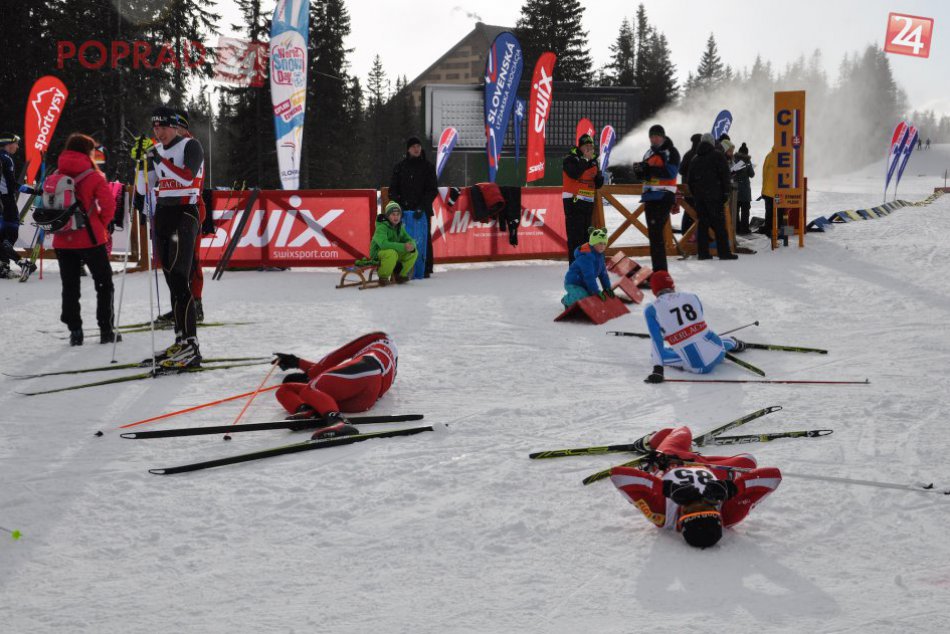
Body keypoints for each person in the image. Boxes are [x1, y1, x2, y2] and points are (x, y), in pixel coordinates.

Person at [610, 426, 782, 548]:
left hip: (672, 460)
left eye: (690, 507)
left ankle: (648, 442)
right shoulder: (729, 515)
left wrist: (666, 489)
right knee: (749, 461)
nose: (700, 499)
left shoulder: (663, 514)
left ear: (681, 519)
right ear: (718, 516)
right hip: (707, 467)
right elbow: (772, 476)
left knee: (682, 431)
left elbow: (619, 475)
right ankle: (695, 453)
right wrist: (733, 489)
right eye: (709, 505)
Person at [132, 106, 205, 367]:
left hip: (186, 212)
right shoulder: (157, 151)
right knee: (170, 281)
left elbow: (187, 177)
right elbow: (146, 187)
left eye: (162, 126)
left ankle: (192, 344)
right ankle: (180, 339)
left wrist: (158, 159)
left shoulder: (190, 145)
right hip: (163, 213)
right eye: (154, 127)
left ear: (175, 126)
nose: (158, 132)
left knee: (179, 277)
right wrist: (141, 163)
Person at [51, 133, 118, 345]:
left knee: (70, 286)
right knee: (104, 283)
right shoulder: (93, 176)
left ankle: (75, 331)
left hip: (62, 239)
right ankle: (106, 330)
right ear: (87, 152)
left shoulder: (56, 173)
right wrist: (102, 224)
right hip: (90, 238)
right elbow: (108, 206)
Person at [273, 332, 398, 425]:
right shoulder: (390, 361)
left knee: (311, 389)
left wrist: (309, 373)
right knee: (285, 389)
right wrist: (298, 363)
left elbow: (338, 355)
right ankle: (311, 412)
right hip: (364, 399)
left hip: (368, 368)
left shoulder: (380, 337)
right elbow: (338, 374)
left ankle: (337, 423)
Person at [642, 270, 745, 383]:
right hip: (719, 350)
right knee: (703, 338)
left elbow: (656, 341)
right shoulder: (692, 296)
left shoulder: (651, 309)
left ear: (654, 289)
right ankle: (733, 342)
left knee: (656, 354)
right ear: (672, 284)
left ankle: (728, 343)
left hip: (700, 365)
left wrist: (658, 370)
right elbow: (697, 320)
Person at [388, 136, 437, 278]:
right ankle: (400, 267)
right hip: (403, 212)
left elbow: (432, 190)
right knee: (401, 239)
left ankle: (425, 268)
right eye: (413, 146)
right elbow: (393, 190)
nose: (416, 149)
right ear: (408, 150)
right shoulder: (400, 167)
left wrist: (422, 206)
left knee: (423, 239)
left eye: (418, 146)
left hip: (422, 211)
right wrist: (399, 207)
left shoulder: (428, 167)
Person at [634, 124, 680, 272]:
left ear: (663, 136)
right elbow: (646, 176)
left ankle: (660, 271)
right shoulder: (649, 153)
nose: (654, 139)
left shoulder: (671, 151)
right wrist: (639, 171)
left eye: (657, 136)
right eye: (651, 136)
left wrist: (649, 170)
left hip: (663, 196)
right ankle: (658, 270)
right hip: (650, 197)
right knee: (654, 237)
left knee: (657, 236)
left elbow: (671, 173)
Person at [686, 133, 736, 261]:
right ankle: (724, 252)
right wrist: (726, 193)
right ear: (713, 143)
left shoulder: (695, 159)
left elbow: (690, 181)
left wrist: (696, 194)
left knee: (703, 225)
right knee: (719, 225)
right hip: (715, 197)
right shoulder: (718, 156)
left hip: (700, 198)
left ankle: (703, 253)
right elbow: (725, 176)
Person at [562, 133, 604, 265]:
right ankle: (574, 266)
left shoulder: (594, 160)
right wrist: (585, 160)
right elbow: (574, 174)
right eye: (586, 146)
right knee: (575, 237)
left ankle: (585, 264)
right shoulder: (570, 158)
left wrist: (599, 175)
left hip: (588, 203)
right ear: (580, 147)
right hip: (574, 202)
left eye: (591, 146)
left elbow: (598, 183)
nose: (589, 149)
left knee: (586, 237)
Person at [561, 227, 614, 307]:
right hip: (573, 283)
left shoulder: (599, 256)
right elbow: (589, 276)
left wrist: (607, 288)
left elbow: (603, 274)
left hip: (585, 284)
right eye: (600, 243)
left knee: (591, 298)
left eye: (604, 243)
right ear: (593, 243)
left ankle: (581, 294)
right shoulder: (586, 256)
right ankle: (566, 300)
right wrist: (596, 292)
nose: (602, 246)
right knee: (583, 296)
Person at [370, 201, 417, 286]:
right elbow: (383, 244)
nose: (396, 217)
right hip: (378, 253)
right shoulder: (382, 227)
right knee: (391, 253)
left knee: (414, 252)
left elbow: (409, 239)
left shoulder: (399, 227)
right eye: (393, 214)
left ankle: (400, 275)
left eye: (398, 214)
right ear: (388, 216)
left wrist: (412, 246)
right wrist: (403, 246)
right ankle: (383, 277)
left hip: (393, 252)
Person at [0, 132, 27, 278]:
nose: (17, 146)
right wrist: (28, 189)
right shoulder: (6, 159)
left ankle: (3, 267)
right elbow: (10, 184)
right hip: (6, 202)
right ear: (8, 144)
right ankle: (12, 264)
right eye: (16, 143)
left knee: (2, 236)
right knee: (10, 235)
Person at [678, 133, 702, 236]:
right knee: (696, 212)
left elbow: (681, 170)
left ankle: (686, 233)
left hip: (687, 188)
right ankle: (693, 234)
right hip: (697, 189)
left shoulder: (688, 154)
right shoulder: (700, 155)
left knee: (688, 211)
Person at [733, 142, 755, 235]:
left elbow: (731, 172)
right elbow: (752, 174)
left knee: (736, 210)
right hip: (745, 189)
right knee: (745, 210)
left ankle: (736, 228)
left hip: (735, 189)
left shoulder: (733, 159)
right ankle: (744, 228)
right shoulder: (747, 161)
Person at [758, 147, 777, 236]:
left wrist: (763, 189)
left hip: (768, 191)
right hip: (779, 191)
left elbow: (764, 173)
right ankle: (781, 231)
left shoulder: (769, 156)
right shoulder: (785, 155)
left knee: (769, 212)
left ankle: (769, 230)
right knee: (781, 211)